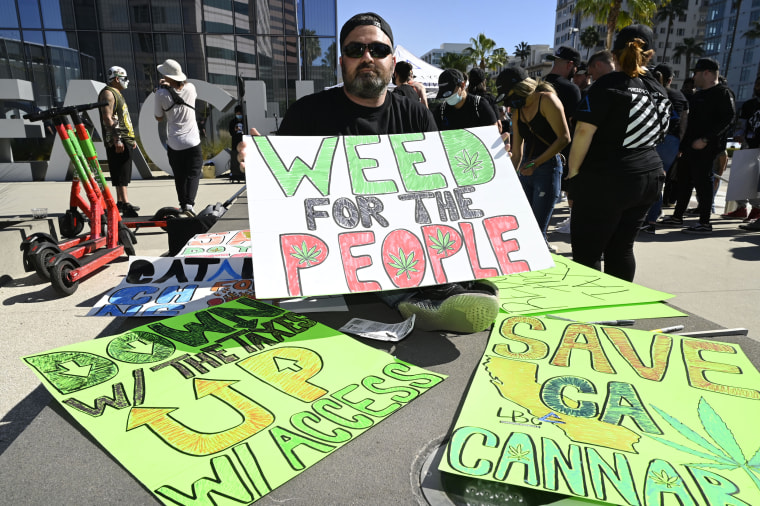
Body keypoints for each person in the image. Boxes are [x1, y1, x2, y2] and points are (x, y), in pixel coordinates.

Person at [245, 12, 499, 334]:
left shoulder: (415, 115)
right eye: (356, 50)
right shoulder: (307, 114)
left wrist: (486, 160)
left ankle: (442, 284)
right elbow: (284, 202)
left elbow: (442, 192)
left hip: (405, 243)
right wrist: (260, 166)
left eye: (378, 51)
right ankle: (412, 298)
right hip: (340, 252)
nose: (367, 57)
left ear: (392, 62)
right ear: (342, 61)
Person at [566, 25, 669, 282]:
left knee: (587, 251)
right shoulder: (658, 89)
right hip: (648, 175)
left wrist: (573, 177)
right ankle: (620, 309)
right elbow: (661, 134)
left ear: (613, 54)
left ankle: (588, 312)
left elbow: (582, 134)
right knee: (621, 247)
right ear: (650, 53)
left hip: (608, 178)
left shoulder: (608, 85)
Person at [496, 66, 570, 251]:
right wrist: (509, 179)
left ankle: (542, 258)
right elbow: (517, 151)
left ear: (520, 87)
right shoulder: (517, 111)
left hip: (547, 167)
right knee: (526, 225)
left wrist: (536, 163)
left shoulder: (546, 100)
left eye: (508, 94)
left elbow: (564, 138)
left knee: (537, 228)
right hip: (527, 170)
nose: (508, 101)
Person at [659, 57, 736, 234]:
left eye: (697, 73)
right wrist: (682, 146)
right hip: (689, 148)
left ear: (707, 73)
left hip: (707, 148)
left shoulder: (723, 93)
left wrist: (706, 139)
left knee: (703, 183)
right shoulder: (698, 95)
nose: (694, 77)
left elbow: (728, 119)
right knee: (684, 181)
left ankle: (704, 222)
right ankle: (677, 216)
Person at [640, 63, 689, 233]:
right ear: (670, 80)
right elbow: (684, 124)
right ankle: (652, 219)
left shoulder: (648, 91)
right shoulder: (680, 96)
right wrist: (681, 146)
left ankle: (647, 219)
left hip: (652, 138)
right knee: (659, 181)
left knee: (646, 181)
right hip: (672, 142)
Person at [154, 58, 203, 216]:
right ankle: (189, 204)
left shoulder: (160, 94)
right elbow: (183, 86)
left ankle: (183, 205)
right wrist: (171, 85)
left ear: (166, 77)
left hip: (174, 142)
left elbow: (158, 117)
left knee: (179, 175)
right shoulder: (191, 88)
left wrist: (164, 89)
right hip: (193, 141)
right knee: (193, 173)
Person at [98, 66, 139, 216]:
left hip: (124, 138)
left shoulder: (116, 93)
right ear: (116, 79)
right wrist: (117, 139)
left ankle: (122, 202)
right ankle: (123, 203)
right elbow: (107, 118)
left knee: (123, 171)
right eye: (125, 79)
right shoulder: (108, 93)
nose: (127, 82)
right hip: (117, 139)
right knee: (120, 172)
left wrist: (130, 138)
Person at [722, 76, 760, 222]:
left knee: (755, 180)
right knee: (740, 177)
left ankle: (756, 210)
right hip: (747, 144)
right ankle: (740, 208)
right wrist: (739, 136)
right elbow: (741, 124)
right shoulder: (749, 105)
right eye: (757, 83)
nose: (757, 86)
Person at [228, 104, 246, 181]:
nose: (239, 115)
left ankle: (243, 174)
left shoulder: (245, 121)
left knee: (243, 157)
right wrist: (235, 129)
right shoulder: (232, 122)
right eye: (237, 114)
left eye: (240, 114)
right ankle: (235, 175)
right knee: (235, 158)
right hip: (235, 143)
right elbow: (231, 133)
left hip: (243, 142)